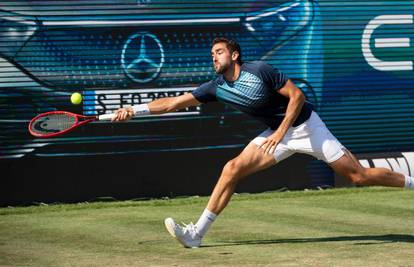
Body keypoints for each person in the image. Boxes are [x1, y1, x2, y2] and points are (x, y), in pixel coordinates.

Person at [113, 37, 414, 248]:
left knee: (357, 176)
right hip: (275, 135)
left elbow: (298, 96)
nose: (213, 57)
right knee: (231, 169)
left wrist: (282, 132)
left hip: (307, 127)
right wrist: (134, 110)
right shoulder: (216, 87)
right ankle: (196, 234)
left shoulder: (260, 71)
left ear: (234, 55)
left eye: (218, 52)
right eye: (211, 54)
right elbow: (173, 103)